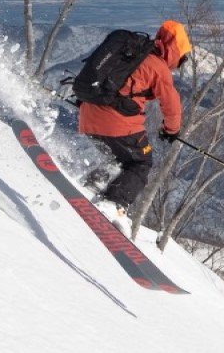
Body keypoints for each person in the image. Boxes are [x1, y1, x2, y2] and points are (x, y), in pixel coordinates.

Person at [79, 19, 192, 213]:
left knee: (119, 160)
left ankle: (87, 187)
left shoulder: (130, 54)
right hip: (116, 124)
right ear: (175, 51)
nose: (179, 64)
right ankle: (113, 204)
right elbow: (172, 106)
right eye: (182, 58)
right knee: (141, 162)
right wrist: (171, 130)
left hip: (87, 116)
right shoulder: (158, 67)